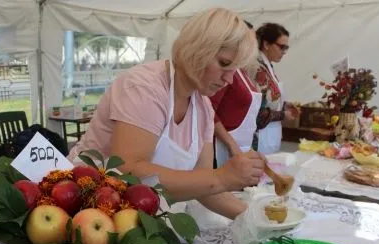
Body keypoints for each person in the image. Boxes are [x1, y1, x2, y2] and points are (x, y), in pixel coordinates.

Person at [68, 7, 265, 220]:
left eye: (234, 70)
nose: (228, 79)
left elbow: (204, 185)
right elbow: (128, 170)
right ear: (196, 49)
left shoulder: (203, 108)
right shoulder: (145, 87)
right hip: (85, 206)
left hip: (134, 214)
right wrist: (222, 177)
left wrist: (258, 219)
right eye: (224, 64)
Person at [210, 20, 262, 168]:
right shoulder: (224, 72)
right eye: (248, 41)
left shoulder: (243, 71)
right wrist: (231, 144)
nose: (252, 46)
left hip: (242, 146)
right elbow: (209, 110)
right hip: (221, 146)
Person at [253, 23, 297, 154]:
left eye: (286, 48)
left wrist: (284, 105)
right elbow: (258, 114)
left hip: (270, 134)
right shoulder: (257, 69)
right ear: (266, 44)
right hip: (261, 136)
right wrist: (284, 114)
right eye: (282, 47)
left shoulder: (267, 67)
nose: (284, 52)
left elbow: (269, 99)